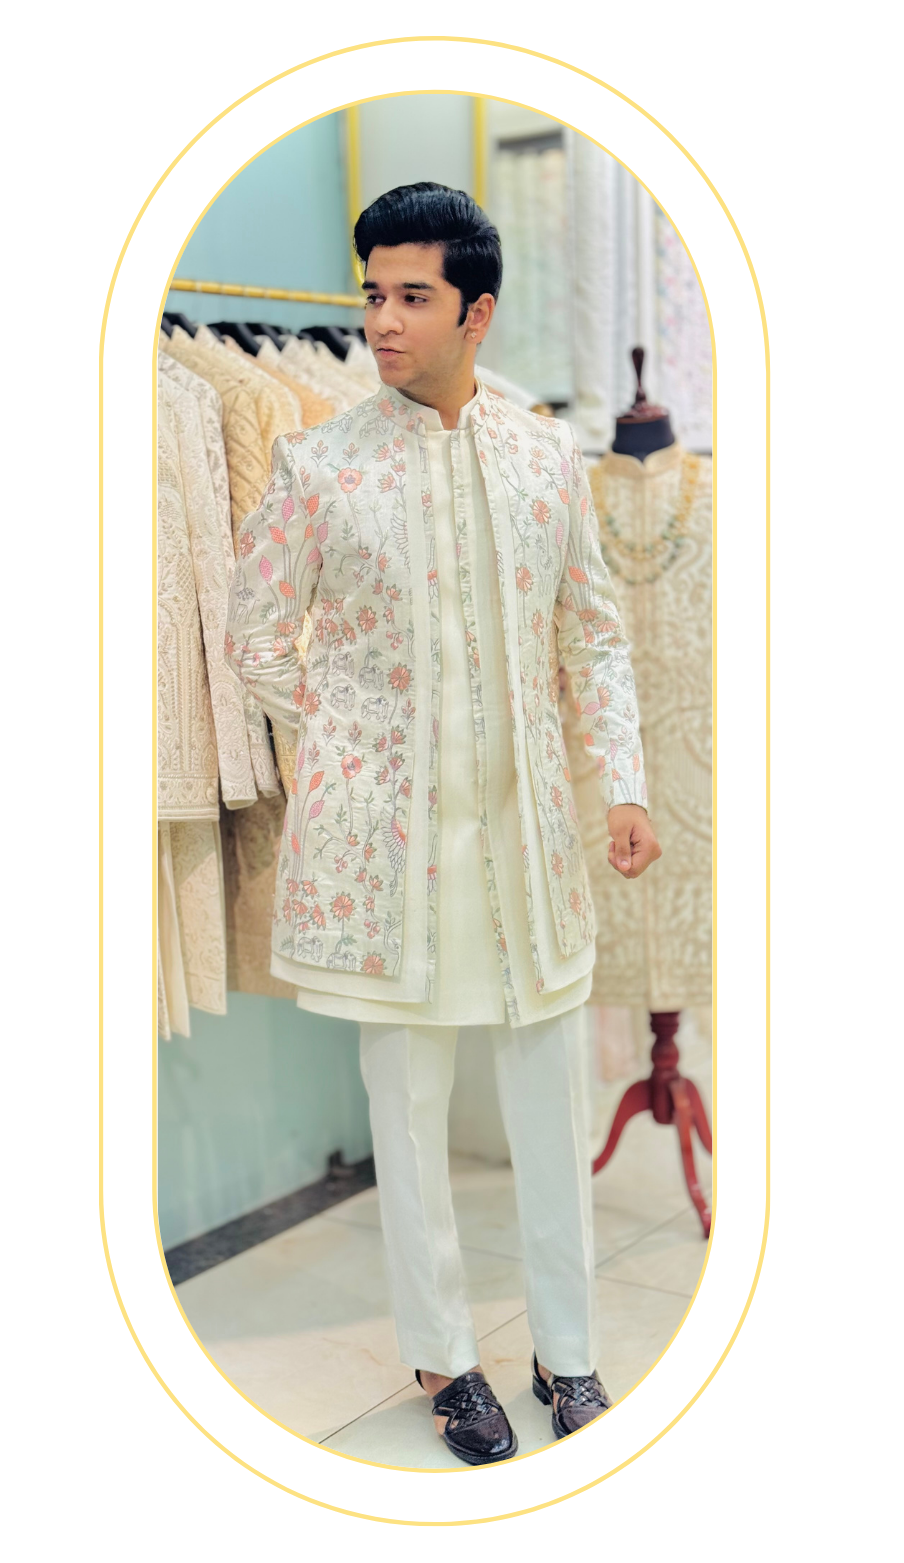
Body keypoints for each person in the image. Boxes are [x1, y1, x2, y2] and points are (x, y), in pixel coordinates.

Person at [225, 182, 661, 1464]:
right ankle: (444, 1358)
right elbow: (254, 635)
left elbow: (591, 635)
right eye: (370, 293)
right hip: (389, 857)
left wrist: (622, 782)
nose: (381, 321)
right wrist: (346, 752)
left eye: (411, 296)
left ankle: (567, 1353)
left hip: (526, 845)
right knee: (407, 1116)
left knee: (546, 1105)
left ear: (478, 310)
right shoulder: (319, 464)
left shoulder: (543, 457)